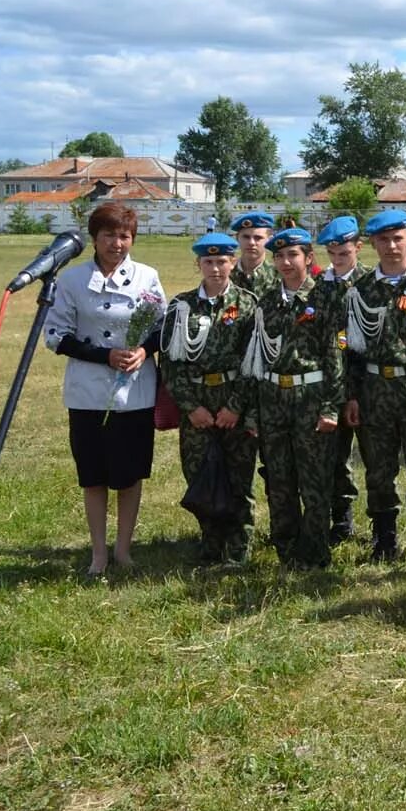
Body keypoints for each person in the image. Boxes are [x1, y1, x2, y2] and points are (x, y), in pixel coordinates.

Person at [44, 202, 165, 576]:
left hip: (135, 392)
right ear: (94, 238)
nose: (117, 243)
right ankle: (98, 552)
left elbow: (163, 326)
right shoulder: (71, 281)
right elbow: (55, 337)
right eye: (109, 235)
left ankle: (124, 550)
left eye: (125, 236)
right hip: (88, 394)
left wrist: (145, 350)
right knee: (93, 476)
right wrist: (104, 356)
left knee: (129, 476)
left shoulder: (147, 276)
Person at [342, 210, 406, 571]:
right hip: (374, 388)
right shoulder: (360, 290)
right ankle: (384, 539)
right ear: (372, 244)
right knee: (377, 467)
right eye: (383, 240)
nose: (391, 246)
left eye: (397, 238)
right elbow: (351, 350)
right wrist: (352, 395)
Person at [243, 226, 345, 569]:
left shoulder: (326, 297)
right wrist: (255, 412)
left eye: (293, 255)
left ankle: (315, 552)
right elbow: (258, 358)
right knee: (279, 479)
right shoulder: (267, 301)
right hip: (273, 398)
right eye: (280, 256)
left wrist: (331, 407)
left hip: (310, 397)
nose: (286, 262)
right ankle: (286, 549)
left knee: (314, 479)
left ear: (308, 258)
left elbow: (335, 357)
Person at [161, 232, 258, 566]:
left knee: (238, 476)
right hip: (198, 402)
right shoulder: (181, 306)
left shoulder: (247, 304)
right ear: (197, 264)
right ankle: (211, 540)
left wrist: (235, 406)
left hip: (235, 401)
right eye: (208, 262)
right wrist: (191, 408)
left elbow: (253, 361)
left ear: (233, 262)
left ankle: (239, 545)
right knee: (199, 473)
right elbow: (170, 364)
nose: (215, 269)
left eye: (222, 261)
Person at [317, 214, 367, 543]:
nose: (338, 261)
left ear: (358, 248)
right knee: (334, 456)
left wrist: (356, 391)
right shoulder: (320, 286)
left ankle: (383, 527)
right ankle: (341, 520)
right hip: (329, 385)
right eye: (333, 255)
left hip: (366, 384)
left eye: (344, 254)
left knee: (375, 458)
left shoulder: (370, 283)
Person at [230, 211, 279, 299]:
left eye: (258, 238)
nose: (251, 243)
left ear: (269, 240)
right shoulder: (226, 275)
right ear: (237, 238)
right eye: (246, 237)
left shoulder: (279, 277)